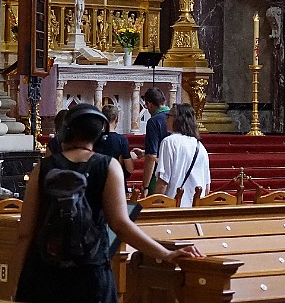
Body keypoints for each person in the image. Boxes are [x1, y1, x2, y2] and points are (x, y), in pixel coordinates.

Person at [13, 104, 200, 303]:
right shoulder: (108, 166)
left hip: (43, 274)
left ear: (65, 132)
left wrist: (15, 284)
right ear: (99, 137)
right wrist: (166, 254)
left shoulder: (42, 168)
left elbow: (25, 234)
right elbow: (120, 225)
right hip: (91, 274)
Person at [155, 104, 210, 207]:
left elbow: (163, 181)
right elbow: (207, 187)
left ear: (178, 119)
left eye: (168, 116)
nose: (165, 120)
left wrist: (155, 205)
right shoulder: (200, 146)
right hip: (196, 208)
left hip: (174, 207)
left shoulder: (169, 142)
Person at [94, 105, 134, 189]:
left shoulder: (94, 138)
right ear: (117, 119)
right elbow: (129, 168)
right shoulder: (121, 140)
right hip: (116, 182)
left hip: (97, 183)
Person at [140, 87, 169, 196]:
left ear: (149, 104)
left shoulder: (154, 121)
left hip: (160, 175)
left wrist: (145, 186)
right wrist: (144, 153)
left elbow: (151, 157)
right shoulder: (177, 117)